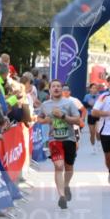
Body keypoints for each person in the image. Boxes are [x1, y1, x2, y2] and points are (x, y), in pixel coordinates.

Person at [36, 80, 82, 209]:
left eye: (58, 86)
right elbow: (39, 118)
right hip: (54, 139)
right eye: (53, 86)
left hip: (69, 138)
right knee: (58, 166)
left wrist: (63, 116)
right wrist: (45, 120)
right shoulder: (45, 105)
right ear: (49, 89)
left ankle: (66, 185)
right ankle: (61, 196)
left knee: (69, 167)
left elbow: (78, 120)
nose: (56, 88)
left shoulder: (69, 103)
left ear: (62, 89)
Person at [83, 82, 101, 153]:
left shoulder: (99, 96)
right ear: (90, 89)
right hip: (90, 115)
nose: (94, 89)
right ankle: (93, 146)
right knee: (92, 133)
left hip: (98, 115)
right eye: (93, 88)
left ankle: (99, 143)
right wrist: (89, 105)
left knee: (98, 131)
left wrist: (95, 106)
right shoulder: (87, 96)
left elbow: (102, 105)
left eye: (95, 88)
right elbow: (84, 105)